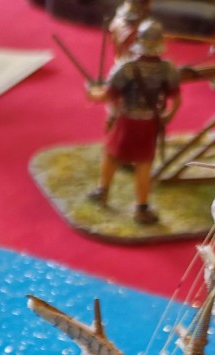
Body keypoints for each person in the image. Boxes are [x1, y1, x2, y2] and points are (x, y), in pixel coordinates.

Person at [86, 21, 182, 226]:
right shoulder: (167, 68)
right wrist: (169, 116)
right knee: (144, 163)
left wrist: (91, 93)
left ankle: (102, 191)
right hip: (149, 122)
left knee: (112, 155)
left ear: (140, 41)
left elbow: (107, 95)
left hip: (127, 120)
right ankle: (141, 207)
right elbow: (177, 99)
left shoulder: (126, 68)